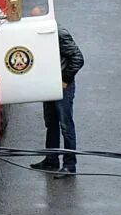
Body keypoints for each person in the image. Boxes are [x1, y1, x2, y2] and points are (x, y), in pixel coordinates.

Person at [29, 28, 85, 177]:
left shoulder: (59, 34)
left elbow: (78, 58)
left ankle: (69, 165)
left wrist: (65, 79)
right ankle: (52, 159)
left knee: (66, 125)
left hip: (62, 86)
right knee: (51, 123)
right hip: (50, 83)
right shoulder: (40, 33)